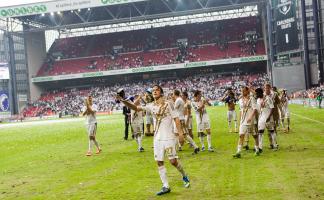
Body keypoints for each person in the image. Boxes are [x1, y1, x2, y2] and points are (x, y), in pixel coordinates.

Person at [117, 85, 190, 196]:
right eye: (153, 90)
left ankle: (184, 175)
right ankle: (166, 186)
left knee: (173, 162)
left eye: (156, 90)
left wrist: (180, 134)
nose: (154, 91)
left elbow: (176, 118)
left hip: (169, 137)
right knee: (159, 162)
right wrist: (123, 101)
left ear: (161, 92)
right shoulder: (150, 106)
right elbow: (135, 108)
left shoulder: (168, 103)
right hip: (157, 139)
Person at [233, 86, 259, 158]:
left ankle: (257, 149)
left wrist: (251, 117)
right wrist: (239, 121)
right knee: (241, 135)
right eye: (242, 91)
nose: (242, 92)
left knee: (254, 135)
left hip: (251, 120)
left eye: (244, 91)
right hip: (243, 120)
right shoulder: (240, 100)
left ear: (248, 91)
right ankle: (238, 152)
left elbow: (254, 109)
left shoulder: (252, 99)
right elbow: (240, 111)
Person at [172, 89, 200, 154]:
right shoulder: (180, 100)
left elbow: (173, 109)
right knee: (184, 135)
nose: (172, 95)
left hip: (178, 119)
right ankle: (196, 147)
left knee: (177, 134)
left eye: (173, 94)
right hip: (181, 118)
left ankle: (173, 150)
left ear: (174, 94)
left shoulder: (178, 100)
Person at [257, 84, 278, 152]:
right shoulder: (258, 100)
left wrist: (269, 117)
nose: (256, 94)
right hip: (261, 118)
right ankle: (260, 147)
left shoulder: (268, 98)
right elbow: (259, 109)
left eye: (257, 93)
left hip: (268, 117)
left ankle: (275, 145)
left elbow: (272, 108)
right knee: (260, 132)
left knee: (272, 131)